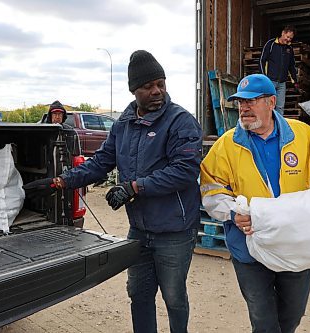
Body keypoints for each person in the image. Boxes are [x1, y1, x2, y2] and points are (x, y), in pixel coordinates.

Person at [23, 50, 203, 333]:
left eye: (161, 84)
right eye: (148, 86)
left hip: (175, 229)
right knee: (138, 293)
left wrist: (134, 187)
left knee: (174, 296)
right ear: (134, 90)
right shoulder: (123, 125)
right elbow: (100, 164)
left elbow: (185, 171)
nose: (157, 91)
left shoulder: (180, 121)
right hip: (139, 229)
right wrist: (60, 181)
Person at [200, 73, 310, 333]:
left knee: (291, 318)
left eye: (252, 101)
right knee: (263, 322)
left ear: (272, 102)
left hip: (295, 245)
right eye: (241, 102)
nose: (244, 108)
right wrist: (233, 213)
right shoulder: (226, 145)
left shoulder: (302, 135)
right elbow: (211, 190)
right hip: (249, 247)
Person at [259, 25, 299, 115]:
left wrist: (295, 81)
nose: (288, 39)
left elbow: (291, 66)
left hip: (282, 83)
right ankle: (268, 126)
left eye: (290, 38)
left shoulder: (289, 49)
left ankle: (279, 127)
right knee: (268, 105)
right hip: (270, 81)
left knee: (280, 107)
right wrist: (264, 77)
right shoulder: (271, 44)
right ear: (283, 33)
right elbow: (262, 60)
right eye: (287, 37)